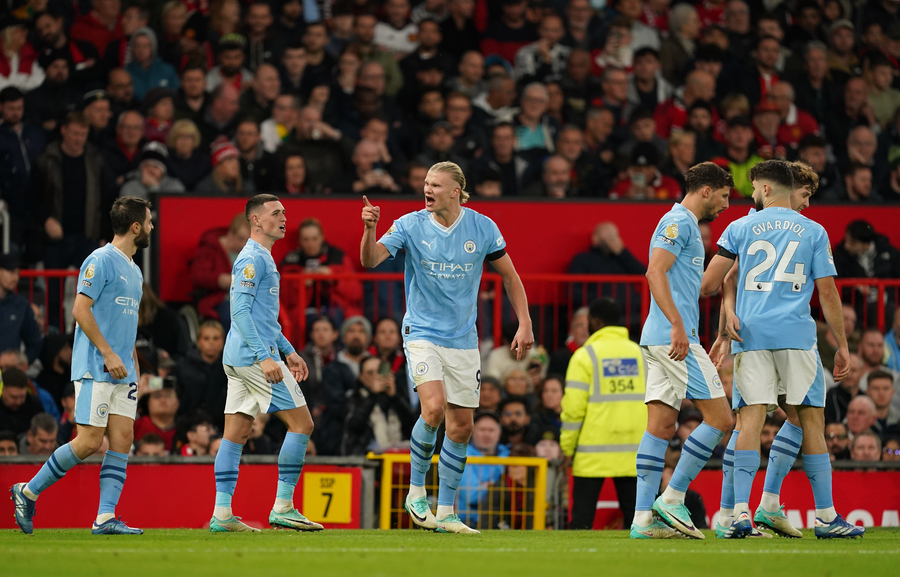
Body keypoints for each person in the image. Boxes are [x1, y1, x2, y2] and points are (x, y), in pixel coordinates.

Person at [361, 161, 533, 534]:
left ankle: (447, 512)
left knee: (461, 427)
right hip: (421, 333)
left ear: (456, 190)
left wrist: (525, 321)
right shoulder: (409, 224)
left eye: (436, 185)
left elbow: (510, 276)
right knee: (434, 408)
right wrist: (370, 228)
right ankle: (416, 491)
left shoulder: (482, 227)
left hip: (463, 340)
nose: (428, 189)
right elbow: (370, 259)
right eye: (425, 183)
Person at [702, 160, 864, 539]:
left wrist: (722, 309)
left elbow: (712, 281)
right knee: (811, 421)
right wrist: (841, 345)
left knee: (750, 420)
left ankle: (741, 512)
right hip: (796, 338)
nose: (752, 193)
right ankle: (825, 516)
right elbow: (827, 292)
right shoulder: (815, 231)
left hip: (752, 338)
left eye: (755, 187)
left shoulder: (739, 226)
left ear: (765, 187)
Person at [11, 196, 153, 536]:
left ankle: (105, 518)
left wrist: (134, 367)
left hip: (123, 371)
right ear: (135, 226)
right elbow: (79, 310)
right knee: (89, 441)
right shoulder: (99, 260)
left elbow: (126, 326)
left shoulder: (134, 270)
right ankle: (27, 491)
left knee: (122, 440)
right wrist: (107, 353)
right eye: (148, 222)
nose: (151, 227)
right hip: (96, 366)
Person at [632, 161, 734, 540]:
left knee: (659, 426)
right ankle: (673, 498)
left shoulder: (684, 225)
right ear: (706, 190)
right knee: (722, 420)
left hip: (660, 337)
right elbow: (654, 271)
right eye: (723, 196)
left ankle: (643, 519)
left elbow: (700, 284)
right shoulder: (678, 223)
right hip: (675, 338)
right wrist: (677, 323)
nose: (725, 205)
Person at [211, 194, 320, 533]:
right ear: (256, 220)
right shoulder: (252, 259)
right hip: (252, 358)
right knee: (302, 425)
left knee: (236, 432)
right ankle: (284, 506)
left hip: (240, 357)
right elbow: (240, 312)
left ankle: (222, 514)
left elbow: (265, 320)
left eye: (284, 212)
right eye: (276, 213)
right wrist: (265, 356)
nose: (283, 218)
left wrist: (288, 350)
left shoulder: (263, 258)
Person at [562, 298, 646, 531]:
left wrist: (567, 448)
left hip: (592, 453)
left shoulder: (584, 356)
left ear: (594, 321)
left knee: (581, 523)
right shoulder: (641, 354)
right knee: (639, 523)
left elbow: (573, 410)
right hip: (635, 452)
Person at [341, 356, 417, 455]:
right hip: (365, 460)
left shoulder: (396, 396)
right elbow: (355, 426)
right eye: (370, 373)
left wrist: (395, 397)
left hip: (397, 458)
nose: (376, 376)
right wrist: (372, 395)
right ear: (361, 377)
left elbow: (412, 425)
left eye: (379, 371)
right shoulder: (353, 397)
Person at [189, 214, 250, 326]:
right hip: (217, 299)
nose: (243, 244)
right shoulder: (210, 249)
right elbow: (197, 276)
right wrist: (219, 280)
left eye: (248, 241)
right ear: (231, 233)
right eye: (241, 239)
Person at [0, 255, 42, 362]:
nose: (15, 278)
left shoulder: (21, 305)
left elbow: (35, 343)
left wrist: (22, 363)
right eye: (11, 272)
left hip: (9, 375)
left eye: (17, 273)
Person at [0, 367, 43, 436]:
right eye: (13, 397)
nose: (18, 402)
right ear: (3, 390)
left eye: (22, 396)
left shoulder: (33, 404)